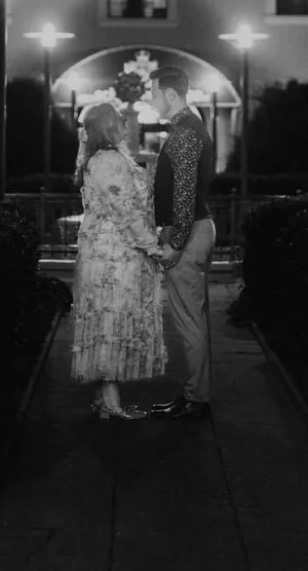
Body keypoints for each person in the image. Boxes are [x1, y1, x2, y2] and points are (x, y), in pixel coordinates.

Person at [70, 101, 166, 419]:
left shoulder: (102, 158)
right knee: (111, 319)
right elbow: (124, 207)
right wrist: (152, 247)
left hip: (105, 251)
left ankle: (105, 399)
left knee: (106, 321)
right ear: (109, 127)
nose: (126, 122)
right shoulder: (108, 160)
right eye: (120, 119)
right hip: (114, 254)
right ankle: (110, 400)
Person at [149, 66, 216, 421]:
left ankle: (196, 399)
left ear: (171, 94)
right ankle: (195, 393)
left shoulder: (186, 133)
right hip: (193, 229)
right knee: (193, 318)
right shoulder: (188, 129)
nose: (149, 97)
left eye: (153, 91)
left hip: (189, 233)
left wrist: (175, 241)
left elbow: (185, 195)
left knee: (190, 321)